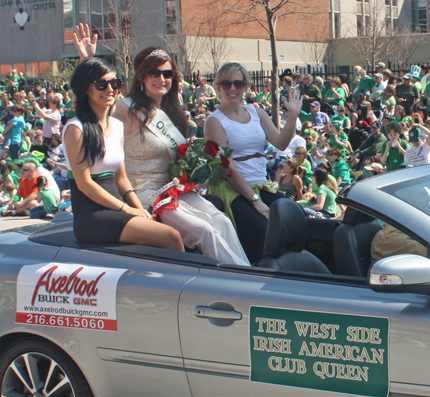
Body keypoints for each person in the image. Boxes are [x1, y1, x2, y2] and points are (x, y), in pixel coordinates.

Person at [74, 23, 248, 265]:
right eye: (154, 73)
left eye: (167, 74)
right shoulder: (126, 108)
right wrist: (88, 61)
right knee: (204, 231)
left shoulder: (167, 111)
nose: (161, 79)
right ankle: (239, 284)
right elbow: (96, 105)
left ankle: (247, 274)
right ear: (142, 77)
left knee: (222, 221)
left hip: (173, 189)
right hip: (145, 194)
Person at [63, 57, 184, 251]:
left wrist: (141, 210)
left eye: (115, 83)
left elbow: (122, 180)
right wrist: (127, 210)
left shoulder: (117, 126)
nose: (110, 90)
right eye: (101, 84)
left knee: (167, 229)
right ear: (86, 88)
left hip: (118, 207)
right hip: (92, 216)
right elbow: (85, 184)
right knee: (171, 237)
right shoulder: (76, 129)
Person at [205, 62, 302, 264]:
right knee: (265, 231)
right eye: (227, 83)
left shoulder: (256, 112)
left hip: (259, 183)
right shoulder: (215, 121)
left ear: (246, 86)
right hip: (233, 189)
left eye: (238, 84)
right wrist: (254, 200)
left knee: (294, 218)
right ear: (218, 86)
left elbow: (281, 142)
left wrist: (292, 116)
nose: (233, 89)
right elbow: (226, 167)